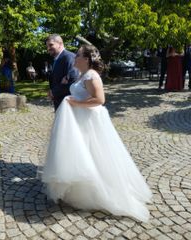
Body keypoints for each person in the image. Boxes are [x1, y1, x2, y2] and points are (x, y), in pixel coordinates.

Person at [40, 45, 152, 222]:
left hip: (91, 121)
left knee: (97, 153)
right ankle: (81, 188)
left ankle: (101, 192)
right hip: (82, 120)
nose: (74, 58)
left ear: (86, 59)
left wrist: (75, 103)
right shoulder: (82, 75)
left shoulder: (92, 75)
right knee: (84, 154)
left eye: (78, 55)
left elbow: (100, 100)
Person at [46, 34, 78, 110]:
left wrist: (54, 92)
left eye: (51, 45)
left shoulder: (69, 57)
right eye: (47, 46)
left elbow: (73, 80)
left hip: (68, 104)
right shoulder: (56, 59)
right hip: (60, 101)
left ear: (60, 44)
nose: (48, 48)